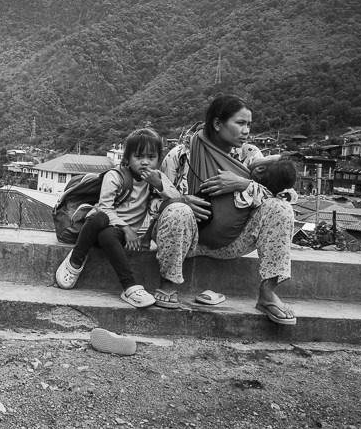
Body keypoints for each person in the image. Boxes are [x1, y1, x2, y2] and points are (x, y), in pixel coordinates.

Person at [153, 95, 298, 325]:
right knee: (178, 210)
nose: (246, 131)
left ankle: (268, 293)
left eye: (249, 124)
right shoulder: (182, 155)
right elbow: (154, 203)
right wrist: (180, 200)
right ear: (218, 124)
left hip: (233, 242)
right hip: (186, 239)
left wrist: (243, 184)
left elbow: (282, 195)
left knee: (281, 209)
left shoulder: (250, 155)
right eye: (240, 123)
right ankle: (168, 283)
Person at [54, 128, 181, 308]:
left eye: (151, 157)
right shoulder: (115, 176)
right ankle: (75, 260)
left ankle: (129, 288)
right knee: (99, 218)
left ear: (158, 159)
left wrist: (159, 184)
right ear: (127, 158)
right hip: (96, 227)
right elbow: (105, 208)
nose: (145, 162)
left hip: (114, 237)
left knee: (108, 235)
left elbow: (177, 200)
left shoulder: (156, 178)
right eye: (139, 156)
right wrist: (126, 228)